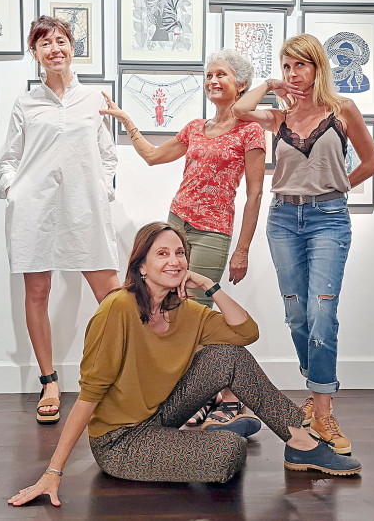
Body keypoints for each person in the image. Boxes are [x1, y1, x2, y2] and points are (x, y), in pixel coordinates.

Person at [8, 222, 361, 507]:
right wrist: (53, 471)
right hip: (121, 441)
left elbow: (246, 333)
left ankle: (300, 443)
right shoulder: (117, 309)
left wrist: (209, 285)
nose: (174, 261)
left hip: (161, 414)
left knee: (228, 356)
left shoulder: (187, 311)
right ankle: (216, 435)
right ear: (141, 266)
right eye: (162, 254)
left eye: (179, 253)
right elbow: (89, 395)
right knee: (229, 454)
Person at [100, 49, 265, 432]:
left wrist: (242, 249)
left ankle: (230, 399)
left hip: (213, 231)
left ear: (241, 84)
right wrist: (127, 121)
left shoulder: (250, 131)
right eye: (209, 75)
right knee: (172, 308)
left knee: (200, 313)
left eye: (221, 74)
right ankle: (201, 397)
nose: (212, 81)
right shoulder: (195, 128)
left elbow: (255, 193)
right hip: (177, 226)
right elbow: (153, 157)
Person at [232, 33, 374, 455]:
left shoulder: (342, 110)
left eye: (300, 65)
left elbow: (372, 161)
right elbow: (239, 110)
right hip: (282, 219)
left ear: (317, 67)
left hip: (328, 220)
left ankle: (323, 409)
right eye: (287, 66)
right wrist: (270, 84)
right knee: (297, 313)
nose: (293, 73)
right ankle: (316, 395)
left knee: (322, 311)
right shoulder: (279, 117)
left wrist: (338, 186)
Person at [0, 15, 120, 425]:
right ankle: (48, 380)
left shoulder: (94, 99)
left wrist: (102, 189)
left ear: (72, 47)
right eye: (44, 43)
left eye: (61, 40)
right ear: (34, 53)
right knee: (37, 291)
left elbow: (107, 155)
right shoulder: (26, 103)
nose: (54, 49)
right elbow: (10, 157)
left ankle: (116, 378)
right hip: (36, 209)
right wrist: (13, 189)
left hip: (85, 206)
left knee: (113, 295)